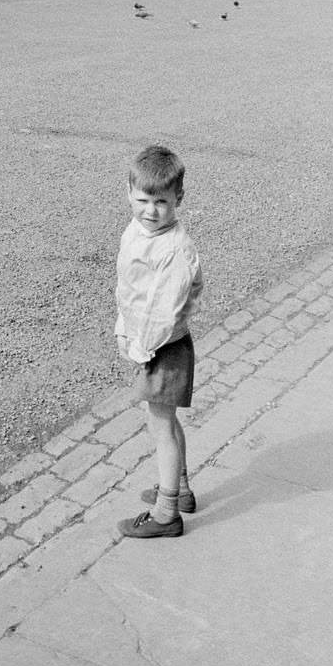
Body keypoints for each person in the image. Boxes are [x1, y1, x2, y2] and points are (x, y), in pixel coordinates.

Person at [115, 144, 203, 539]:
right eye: (143, 200)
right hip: (150, 341)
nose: (151, 210)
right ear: (129, 193)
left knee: (161, 426)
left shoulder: (174, 249)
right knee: (166, 419)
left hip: (164, 346)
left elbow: (163, 312)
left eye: (162, 202)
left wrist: (140, 348)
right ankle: (178, 488)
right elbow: (130, 291)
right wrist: (123, 326)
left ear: (178, 200)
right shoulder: (137, 232)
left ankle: (167, 513)